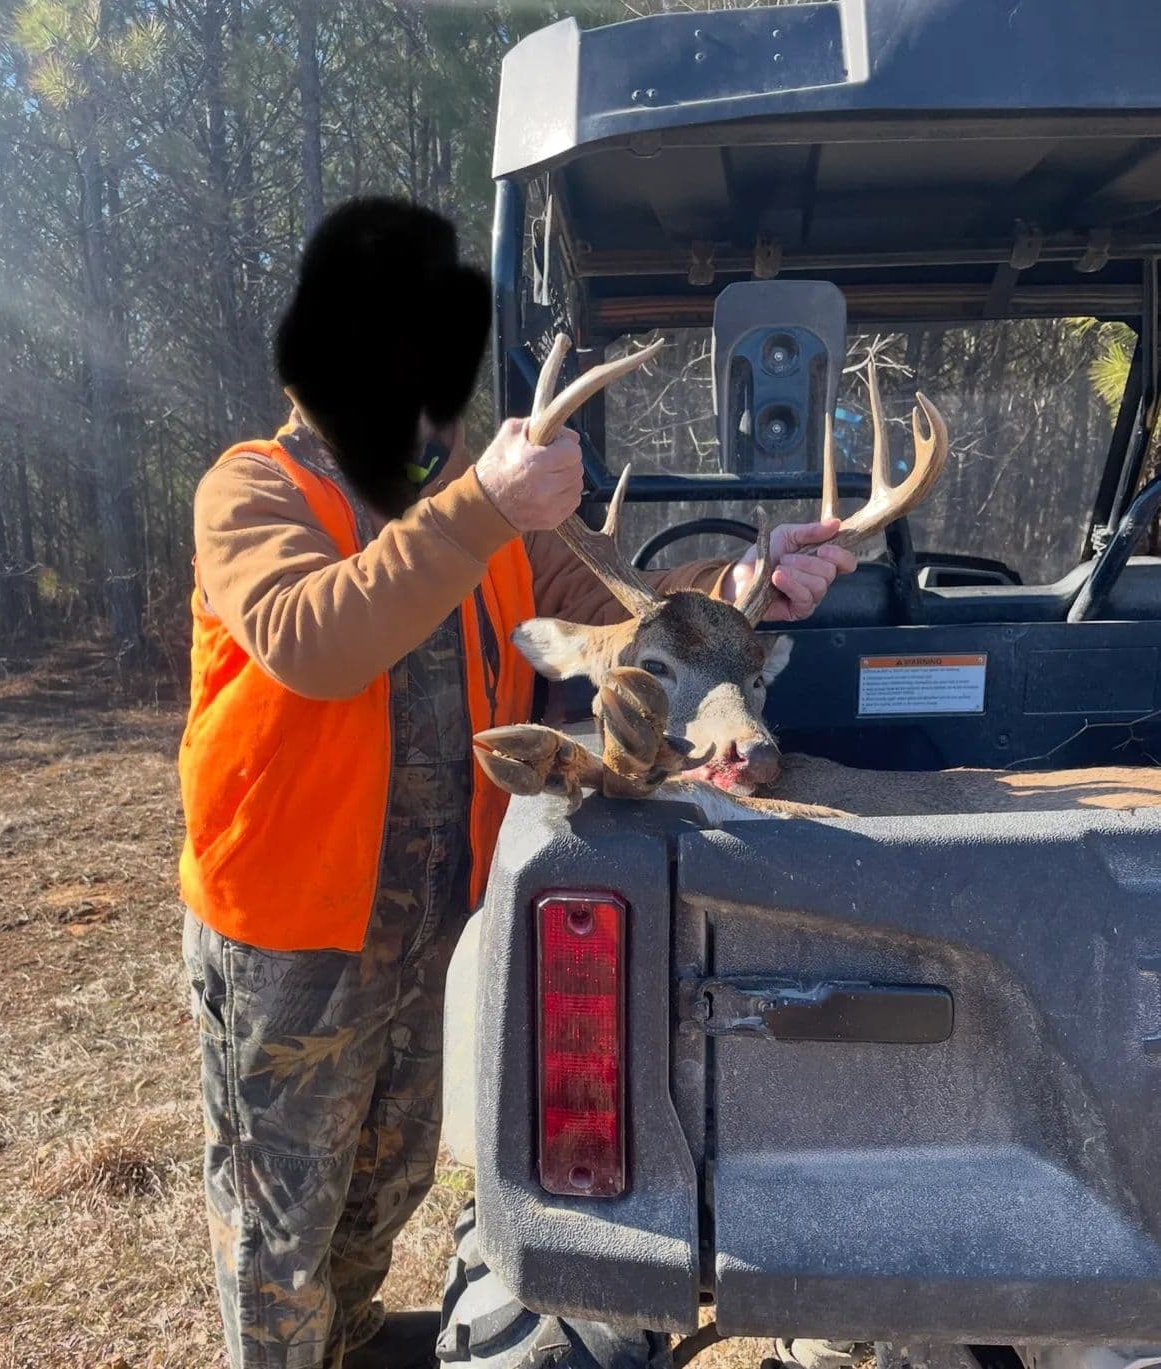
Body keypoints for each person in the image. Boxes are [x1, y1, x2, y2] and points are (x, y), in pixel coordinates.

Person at [178, 197, 856, 1369]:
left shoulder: (485, 510)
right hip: (290, 936)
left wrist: (744, 583)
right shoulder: (259, 490)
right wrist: (485, 504)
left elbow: (624, 614)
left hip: (432, 926)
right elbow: (311, 641)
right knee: (278, 1237)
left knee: (379, 1194)